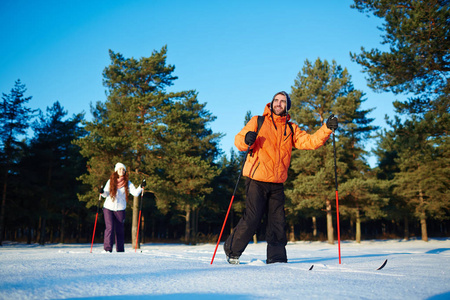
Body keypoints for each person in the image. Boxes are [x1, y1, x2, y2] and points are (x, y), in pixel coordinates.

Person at [224, 91, 338, 264]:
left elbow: (310, 142)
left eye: (282, 101)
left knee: (278, 222)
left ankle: (277, 260)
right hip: (257, 179)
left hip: (277, 183)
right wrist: (248, 139)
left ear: (287, 106)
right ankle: (232, 251)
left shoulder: (291, 128)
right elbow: (239, 140)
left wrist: (326, 129)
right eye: (276, 101)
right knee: (252, 218)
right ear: (271, 103)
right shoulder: (258, 121)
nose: (278, 104)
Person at [100, 162, 145, 252]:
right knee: (110, 227)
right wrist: (101, 191)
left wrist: (141, 186)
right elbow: (105, 194)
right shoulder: (110, 181)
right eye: (120, 169)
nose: (122, 171)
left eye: (123, 169)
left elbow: (135, 193)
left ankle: (120, 250)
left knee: (119, 230)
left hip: (120, 208)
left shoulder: (127, 182)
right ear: (116, 170)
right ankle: (107, 249)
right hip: (108, 207)